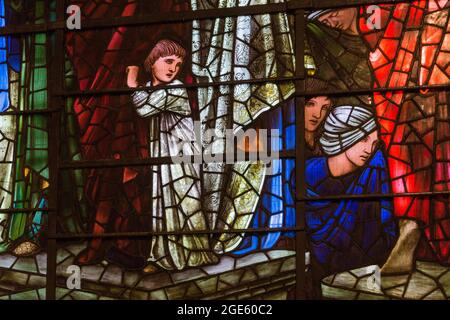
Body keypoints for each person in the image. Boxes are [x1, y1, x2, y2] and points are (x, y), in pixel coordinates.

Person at [307, 2, 450, 274]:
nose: (331, 21)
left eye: (332, 13)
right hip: (406, 76)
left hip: (426, 65)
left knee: (417, 132)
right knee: (404, 143)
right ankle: (410, 226)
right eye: (325, 19)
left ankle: (412, 227)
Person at [126, 39, 219, 272]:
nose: (173, 68)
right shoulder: (154, 89)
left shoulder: (175, 87)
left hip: (182, 157)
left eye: (178, 65)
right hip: (165, 156)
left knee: (186, 203)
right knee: (163, 204)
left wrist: (130, 81)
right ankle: (162, 256)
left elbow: (143, 107)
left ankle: (197, 253)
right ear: (152, 62)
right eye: (168, 61)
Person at [306, 105, 397, 282]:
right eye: (363, 139)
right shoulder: (304, 175)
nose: (370, 149)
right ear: (344, 135)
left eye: (374, 142)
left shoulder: (372, 174)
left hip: (364, 274)